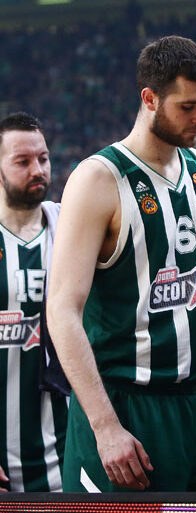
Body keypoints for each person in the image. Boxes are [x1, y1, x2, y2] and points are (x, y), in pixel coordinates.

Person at [47, 35, 196, 493]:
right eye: (187, 107)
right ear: (149, 99)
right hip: (128, 406)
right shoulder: (97, 178)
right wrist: (105, 426)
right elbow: (61, 309)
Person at [0, 112, 68, 492]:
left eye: (42, 158)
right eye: (22, 162)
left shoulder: (71, 226)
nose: (37, 170)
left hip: (72, 446)